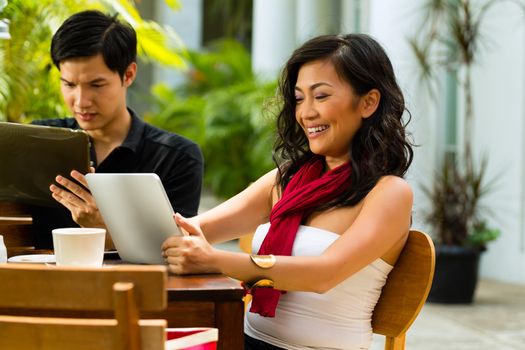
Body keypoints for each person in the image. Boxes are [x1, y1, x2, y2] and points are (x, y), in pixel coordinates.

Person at [161, 33, 414, 350]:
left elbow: (323, 274)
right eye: (299, 98)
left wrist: (216, 260)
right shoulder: (289, 178)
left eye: (320, 96)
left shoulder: (389, 192)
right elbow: (194, 229)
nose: (306, 112)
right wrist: (110, 221)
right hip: (244, 341)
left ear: (368, 102)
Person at [30, 10, 203, 249]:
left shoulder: (176, 157)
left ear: (129, 74)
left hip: (138, 285)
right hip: (36, 281)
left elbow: (174, 253)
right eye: (69, 84)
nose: (81, 101)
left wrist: (102, 227)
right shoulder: (37, 142)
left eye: (96, 85)